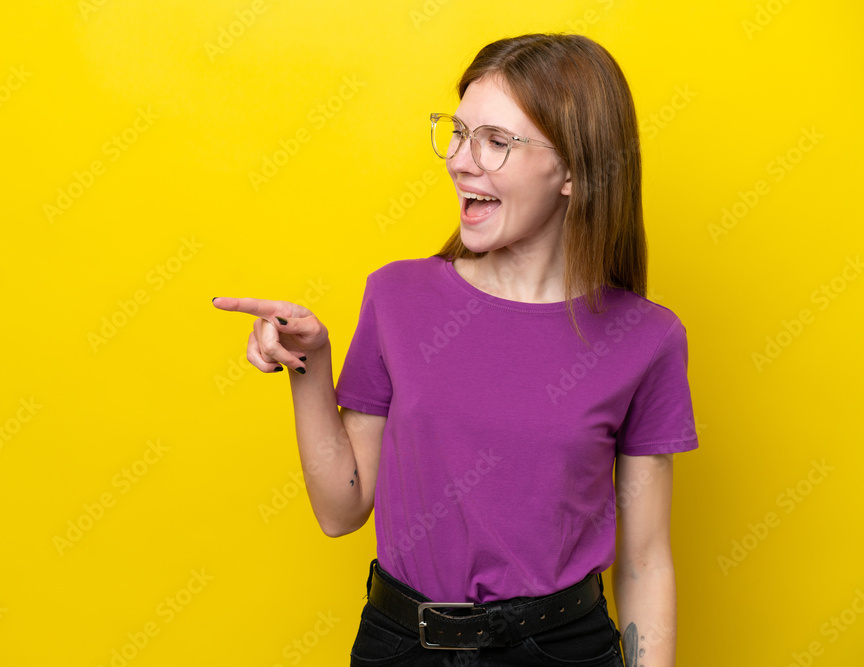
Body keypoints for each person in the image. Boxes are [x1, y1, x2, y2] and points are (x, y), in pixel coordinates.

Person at [213, 32, 698, 667]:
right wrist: (309, 365)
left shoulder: (647, 338)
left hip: (560, 650)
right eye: (460, 133)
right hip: (401, 647)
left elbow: (644, 563)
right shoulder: (397, 296)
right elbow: (340, 510)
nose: (462, 162)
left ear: (575, 172)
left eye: (496, 141)